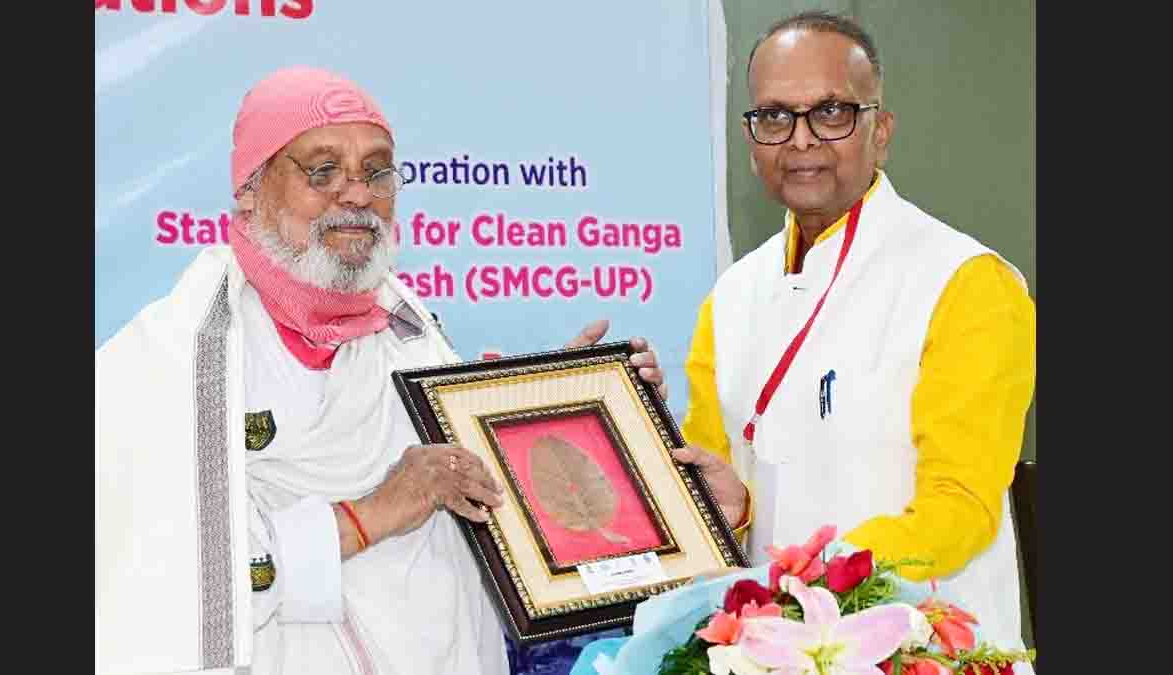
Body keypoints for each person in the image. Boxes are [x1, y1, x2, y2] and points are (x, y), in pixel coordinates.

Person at [95, 66, 668, 675]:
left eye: (377, 171)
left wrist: (564, 411)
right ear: (250, 190)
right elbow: (166, 583)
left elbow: (479, 511)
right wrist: (373, 514)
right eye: (322, 170)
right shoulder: (165, 363)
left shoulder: (412, 333)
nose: (357, 195)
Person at [669, 10, 1036, 650]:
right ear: (752, 140)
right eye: (775, 116)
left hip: (925, 652)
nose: (801, 140)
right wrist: (727, 510)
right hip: (772, 653)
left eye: (832, 112)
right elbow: (723, 499)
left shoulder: (966, 281)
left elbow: (959, 507)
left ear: (881, 131)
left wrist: (809, 582)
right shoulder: (730, 299)